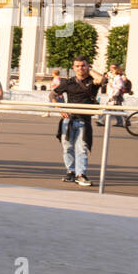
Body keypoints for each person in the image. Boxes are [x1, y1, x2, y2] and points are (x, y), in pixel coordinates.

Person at [50, 55, 105, 187]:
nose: (81, 68)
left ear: (88, 66)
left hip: (84, 121)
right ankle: (71, 172)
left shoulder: (92, 82)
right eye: (77, 66)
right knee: (67, 147)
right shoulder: (68, 82)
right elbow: (52, 94)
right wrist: (59, 107)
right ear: (73, 68)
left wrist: (89, 70)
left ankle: (81, 175)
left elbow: (101, 79)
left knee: (82, 148)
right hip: (68, 120)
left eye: (83, 65)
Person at [102, 62, 131, 128]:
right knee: (117, 109)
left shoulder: (118, 77)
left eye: (114, 68)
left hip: (116, 96)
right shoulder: (111, 76)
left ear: (117, 69)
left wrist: (114, 94)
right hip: (112, 94)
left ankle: (102, 121)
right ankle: (125, 121)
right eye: (111, 67)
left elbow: (119, 87)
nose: (112, 69)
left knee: (113, 108)